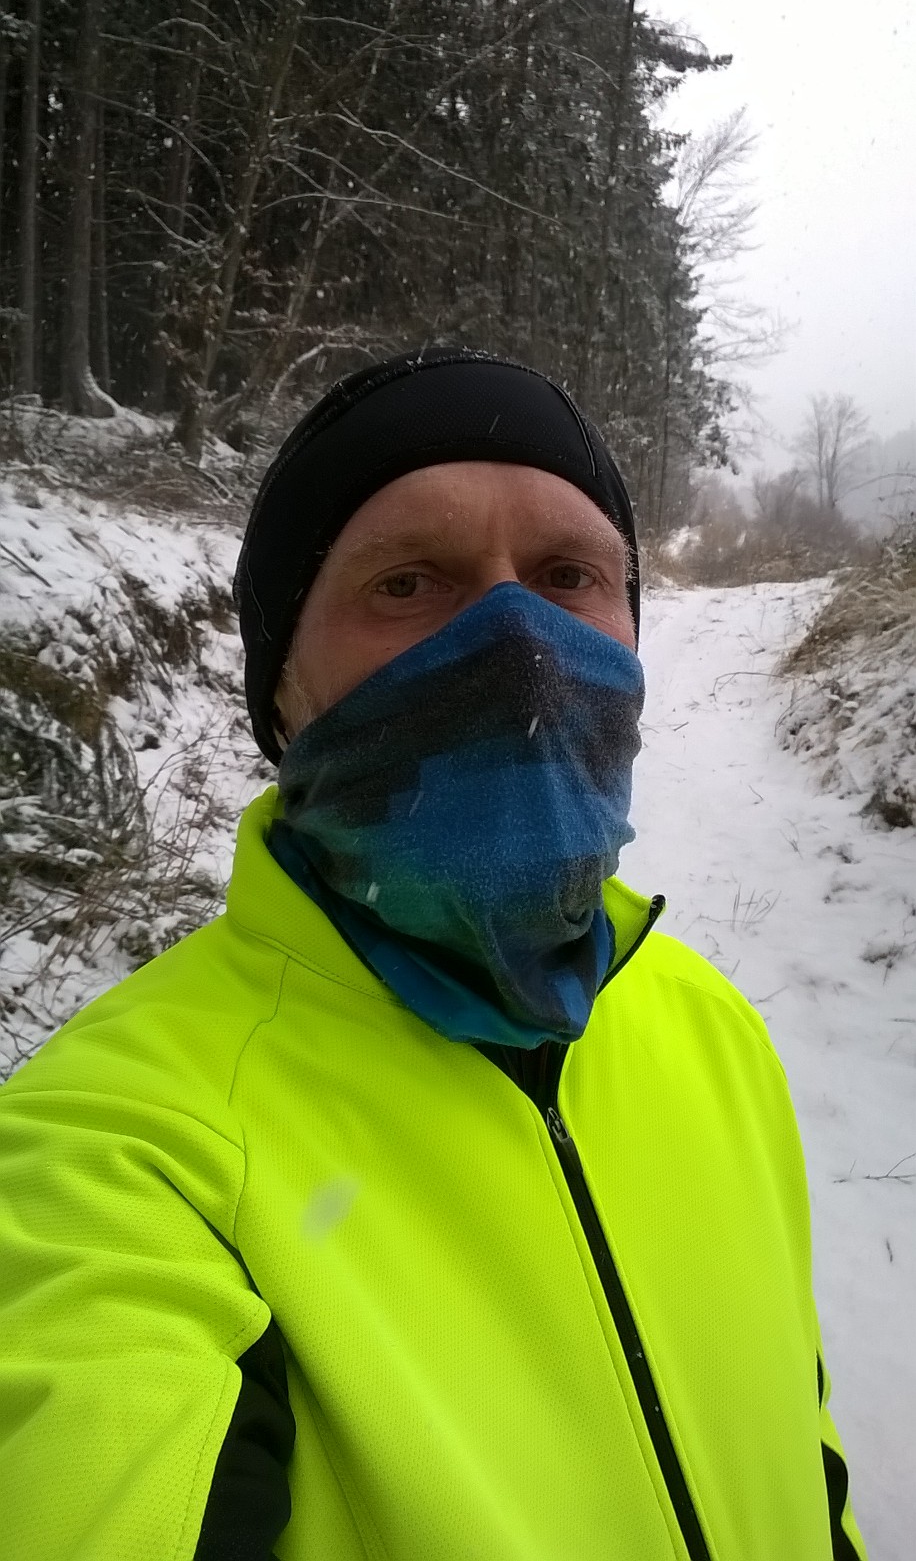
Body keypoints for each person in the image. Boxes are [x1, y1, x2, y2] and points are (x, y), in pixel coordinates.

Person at [0, 348, 866, 1561]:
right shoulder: (118, 1154)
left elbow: (796, 1454)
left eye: (566, 577)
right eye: (407, 583)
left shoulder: (711, 1025)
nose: (517, 646)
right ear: (281, 693)